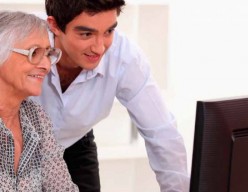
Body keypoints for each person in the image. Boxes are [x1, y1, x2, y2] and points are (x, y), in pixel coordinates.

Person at [32, 0, 190, 191]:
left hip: (73, 142)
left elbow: (161, 131)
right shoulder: (17, 40)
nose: (99, 48)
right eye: (86, 34)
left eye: (108, 31)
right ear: (54, 25)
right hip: (12, 145)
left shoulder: (124, 57)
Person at [0, 10, 79, 191]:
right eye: (34, 52)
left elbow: (63, 188)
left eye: (48, 54)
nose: (46, 65)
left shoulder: (37, 118)